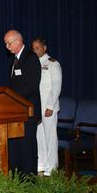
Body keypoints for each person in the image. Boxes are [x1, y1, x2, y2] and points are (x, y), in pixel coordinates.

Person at [4, 30, 42, 175]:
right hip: (16, 111)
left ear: (18, 41)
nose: (7, 47)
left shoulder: (30, 58)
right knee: (16, 145)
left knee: (27, 145)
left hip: (28, 111)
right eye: (6, 44)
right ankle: (17, 175)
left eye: (9, 43)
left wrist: (12, 96)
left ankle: (29, 178)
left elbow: (31, 85)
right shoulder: (15, 60)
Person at [32, 37, 62, 176]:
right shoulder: (34, 64)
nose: (35, 50)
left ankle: (52, 168)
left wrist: (50, 105)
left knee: (50, 137)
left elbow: (56, 86)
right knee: (40, 137)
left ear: (45, 48)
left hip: (49, 107)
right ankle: (41, 164)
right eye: (33, 48)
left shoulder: (52, 64)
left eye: (37, 47)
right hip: (38, 107)